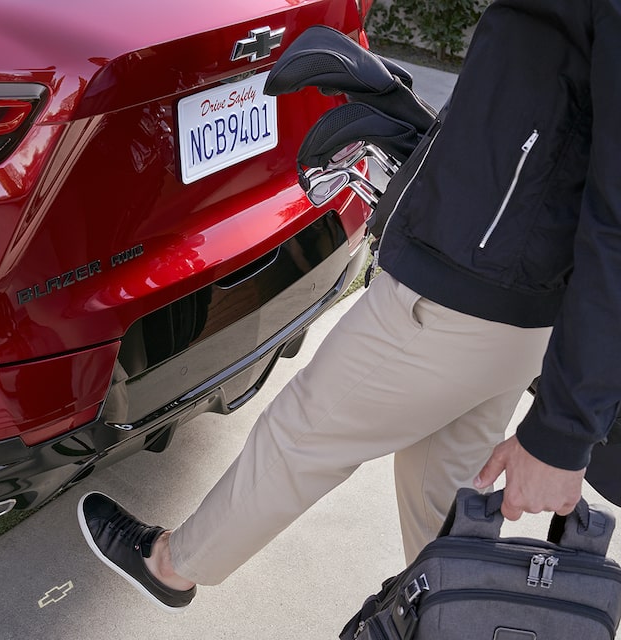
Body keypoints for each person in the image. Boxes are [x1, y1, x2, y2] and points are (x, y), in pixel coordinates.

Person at [78, 0, 621, 613]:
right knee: (442, 501)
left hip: (467, 290)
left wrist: (562, 435)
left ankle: (171, 565)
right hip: (500, 287)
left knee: (303, 432)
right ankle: (460, 623)